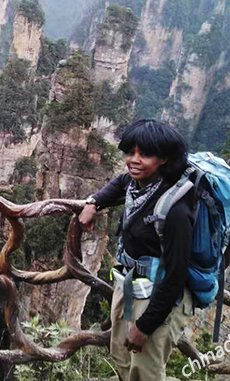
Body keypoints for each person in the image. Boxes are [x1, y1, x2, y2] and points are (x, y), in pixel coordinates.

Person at [78, 119, 194, 381]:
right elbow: (119, 183)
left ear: (163, 158)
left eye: (145, 154)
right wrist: (93, 202)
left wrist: (145, 326)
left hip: (159, 296)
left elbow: (176, 277)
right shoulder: (137, 185)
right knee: (121, 355)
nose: (134, 160)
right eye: (131, 152)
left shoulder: (175, 210)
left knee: (144, 371)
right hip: (130, 283)